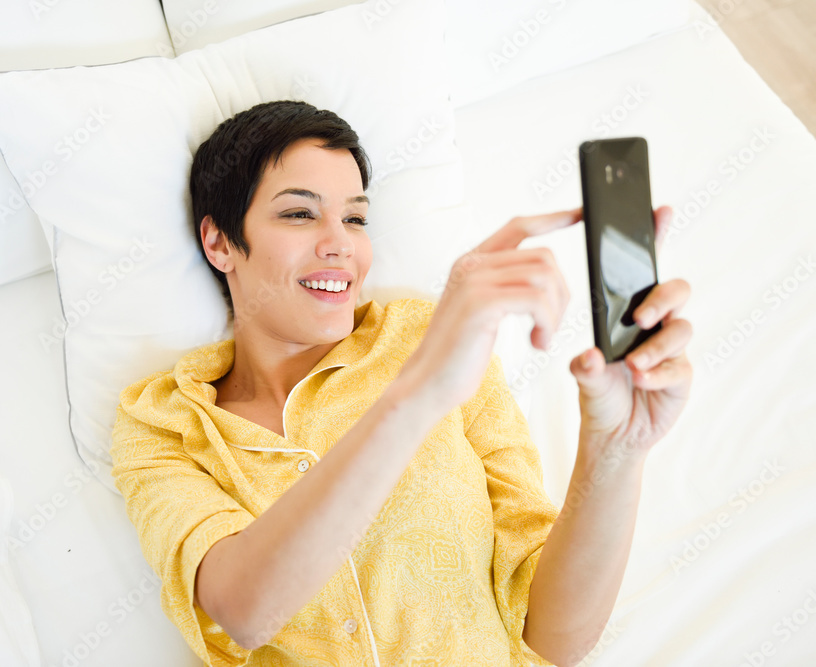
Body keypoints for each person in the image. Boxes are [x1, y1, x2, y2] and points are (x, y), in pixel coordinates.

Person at [110, 100, 693, 667]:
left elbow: (553, 637)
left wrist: (616, 451)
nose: (340, 242)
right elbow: (242, 609)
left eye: (356, 218)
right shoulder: (162, 421)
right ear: (219, 242)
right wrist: (420, 396)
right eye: (299, 213)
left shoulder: (430, 337)